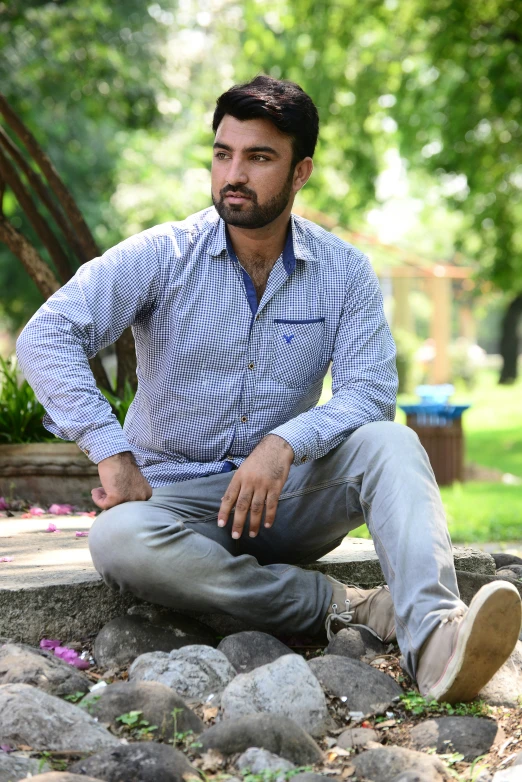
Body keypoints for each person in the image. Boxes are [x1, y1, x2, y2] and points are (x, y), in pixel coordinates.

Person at [17, 75, 521, 704]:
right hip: (179, 500)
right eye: (223, 154)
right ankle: (349, 606)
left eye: (258, 158)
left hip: (287, 498)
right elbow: (46, 337)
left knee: (391, 441)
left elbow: (369, 392)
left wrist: (283, 443)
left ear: (300, 171)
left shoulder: (344, 270)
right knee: (117, 539)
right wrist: (110, 451)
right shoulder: (162, 254)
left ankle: (437, 641)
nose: (234, 173)